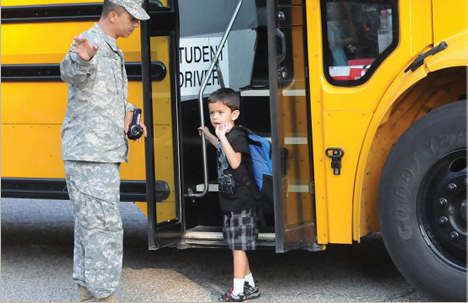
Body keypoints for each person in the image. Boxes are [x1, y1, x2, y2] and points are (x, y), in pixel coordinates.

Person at [60, 0, 149, 301]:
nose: (136, 24)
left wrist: (128, 115)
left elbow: (104, 94)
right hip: (90, 155)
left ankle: (88, 295)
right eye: (132, 18)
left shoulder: (111, 46)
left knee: (91, 230)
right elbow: (71, 70)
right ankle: (104, 297)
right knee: (104, 231)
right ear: (113, 15)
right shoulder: (91, 42)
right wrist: (82, 59)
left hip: (99, 154)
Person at [198, 88, 260, 302]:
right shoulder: (225, 136)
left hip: (241, 200)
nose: (215, 117)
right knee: (236, 246)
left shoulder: (237, 135)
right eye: (212, 113)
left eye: (220, 112)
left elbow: (234, 161)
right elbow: (222, 150)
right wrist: (210, 136)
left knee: (238, 247)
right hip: (230, 200)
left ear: (234, 115)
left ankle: (238, 290)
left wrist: (222, 136)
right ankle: (250, 284)